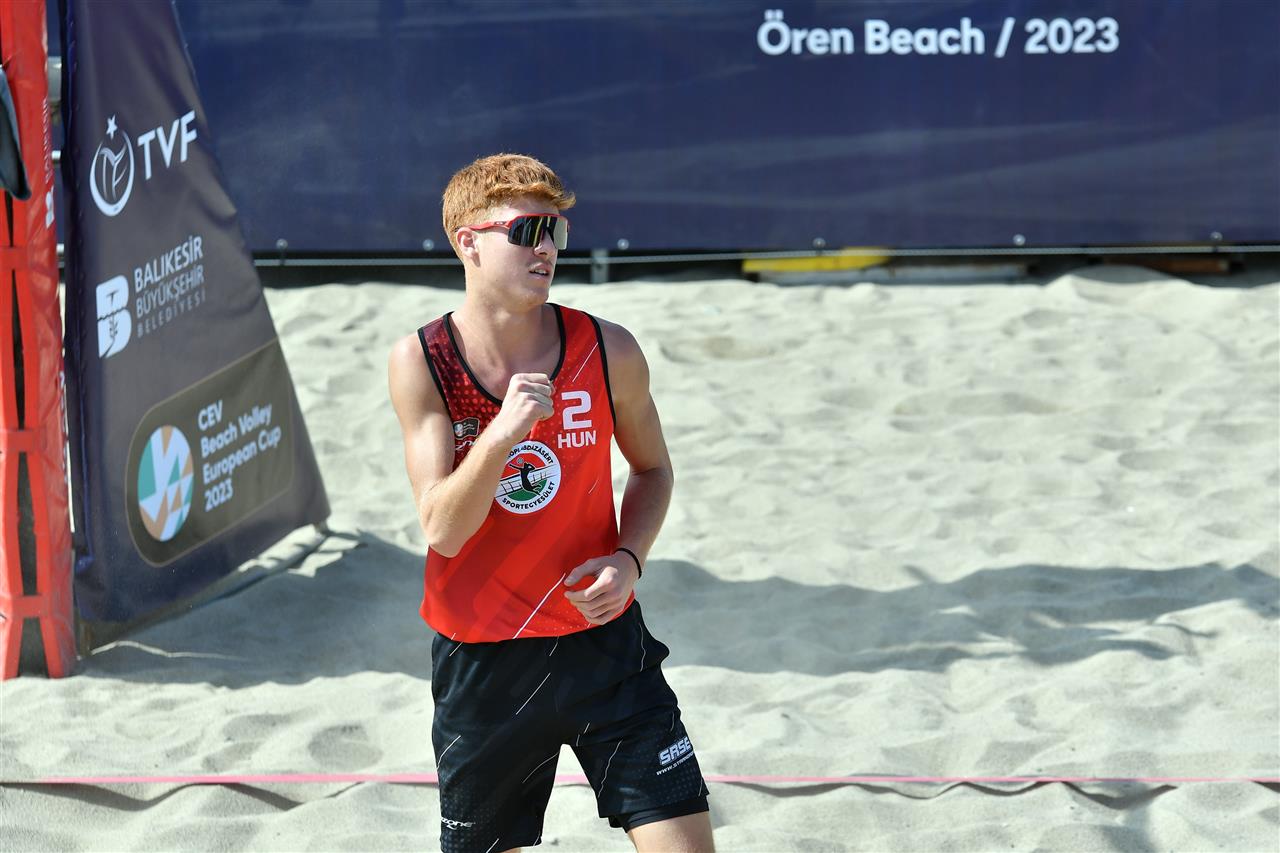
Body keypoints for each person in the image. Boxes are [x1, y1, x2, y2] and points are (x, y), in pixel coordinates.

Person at [388, 153, 714, 853]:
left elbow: (653, 469)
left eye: (557, 232)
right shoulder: (423, 360)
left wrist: (629, 559)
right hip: (485, 662)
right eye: (528, 231)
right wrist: (503, 433)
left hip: (605, 644)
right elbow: (443, 530)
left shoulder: (607, 348)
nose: (547, 250)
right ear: (468, 241)